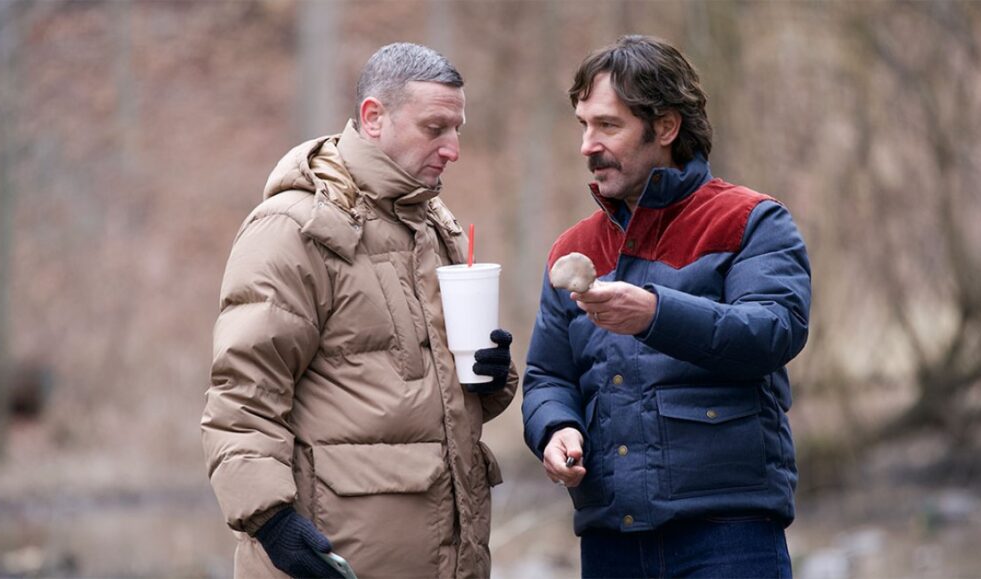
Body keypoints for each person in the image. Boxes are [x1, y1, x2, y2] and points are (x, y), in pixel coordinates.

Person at [202, 43, 517, 579]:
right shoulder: (292, 229)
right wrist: (271, 522)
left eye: (458, 128)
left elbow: (421, 399)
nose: (454, 148)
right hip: (333, 561)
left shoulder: (433, 225)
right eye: (435, 128)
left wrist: (488, 377)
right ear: (374, 117)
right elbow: (243, 396)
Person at [522, 35, 811, 578]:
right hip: (610, 540)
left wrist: (656, 314)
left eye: (608, 125)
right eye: (583, 125)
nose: (588, 144)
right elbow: (545, 375)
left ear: (666, 127)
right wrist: (555, 427)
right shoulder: (571, 249)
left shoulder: (752, 220)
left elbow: (774, 332)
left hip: (729, 535)